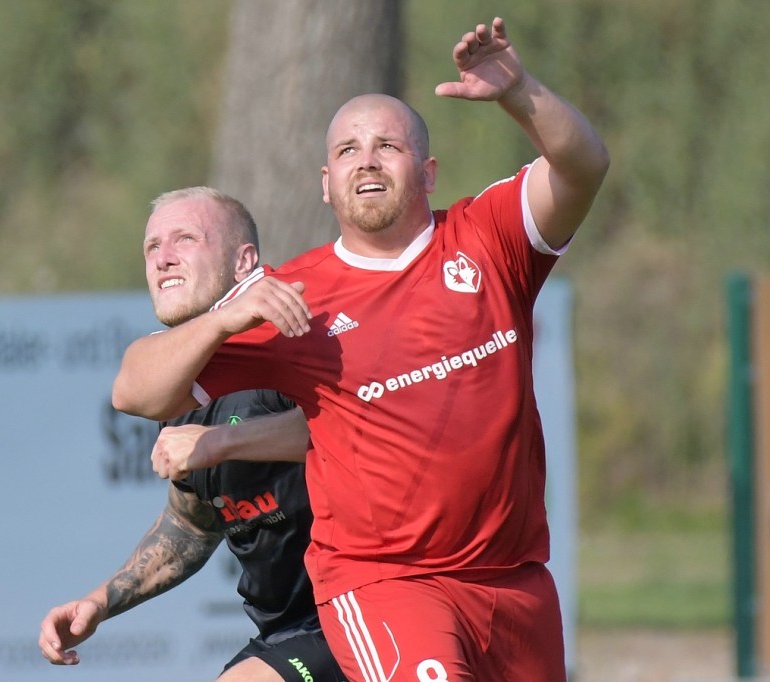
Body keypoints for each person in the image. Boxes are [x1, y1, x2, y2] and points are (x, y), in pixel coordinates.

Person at [113, 17, 609, 682]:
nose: (367, 159)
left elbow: (583, 166)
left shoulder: (488, 239)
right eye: (348, 150)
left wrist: (520, 92)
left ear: (427, 172)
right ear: (326, 183)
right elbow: (136, 391)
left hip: (515, 582)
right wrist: (222, 321)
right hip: (387, 585)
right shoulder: (296, 299)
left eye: (387, 146)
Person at [39, 187, 345, 682]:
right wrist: (99, 602)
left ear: (243, 261)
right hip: (286, 631)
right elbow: (193, 526)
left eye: (185, 239)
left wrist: (220, 442)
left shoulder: (293, 334)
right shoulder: (182, 382)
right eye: (151, 246)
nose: (163, 258)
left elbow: (352, 429)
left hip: (362, 608)